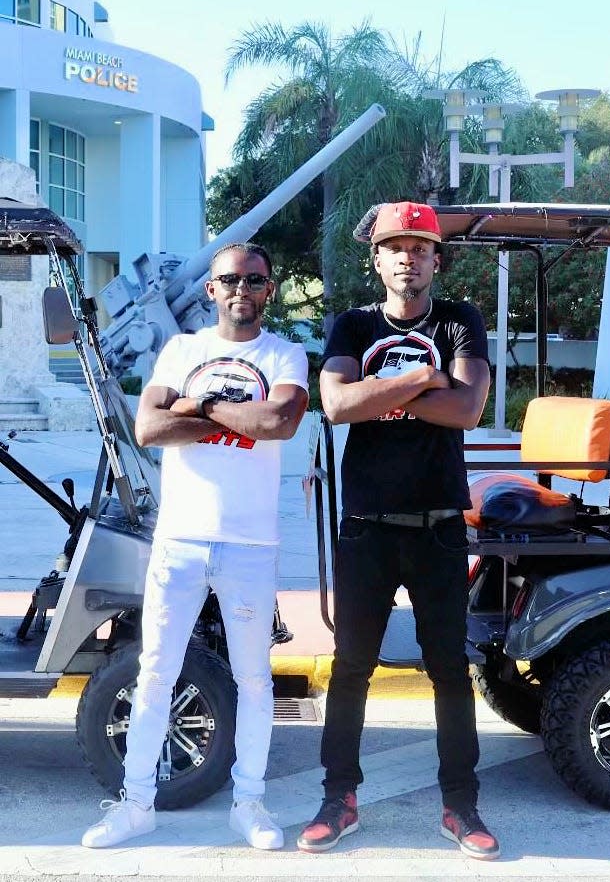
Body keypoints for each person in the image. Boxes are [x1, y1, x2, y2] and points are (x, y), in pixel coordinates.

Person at [82, 242, 309, 851]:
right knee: (155, 670)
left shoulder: (284, 354)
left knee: (254, 678)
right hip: (179, 541)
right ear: (211, 289)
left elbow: (279, 423)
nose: (241, 289)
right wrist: (237, 410)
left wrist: (199, 404)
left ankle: (250, 802)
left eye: (254, 280)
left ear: (269, 289)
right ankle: (135, 804)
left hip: (250, 546)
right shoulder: (182, 350)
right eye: (229, 279)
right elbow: (150, 427)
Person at [297, 202, 498, 860]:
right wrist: (422, 377)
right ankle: (338, 799)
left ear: (435, 259)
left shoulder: (458, 319)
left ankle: (460, 806)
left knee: (449, 670)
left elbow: (466, 409)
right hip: (366, 528)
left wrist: (379, 389)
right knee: (351, 668)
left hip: (439, 525)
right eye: (394, 246)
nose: (407, 256)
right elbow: (336, 404)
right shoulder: (352, 325)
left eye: (419, 246)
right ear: (376, 260)